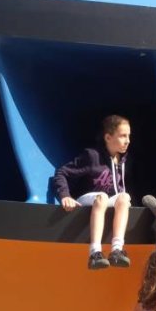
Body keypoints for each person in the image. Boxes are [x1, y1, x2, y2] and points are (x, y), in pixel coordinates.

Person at [53, 115, 133, 270]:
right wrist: (65, 196)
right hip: (88, 199)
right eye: (123, 136)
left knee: (125, 197)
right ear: (108, 137)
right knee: (102, 197)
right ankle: (95, 253)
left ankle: (117, 250)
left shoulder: (123, 159)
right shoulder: (92, 156)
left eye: (128, 136)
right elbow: (61, 173)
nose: (127, 141)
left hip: (107, 201)